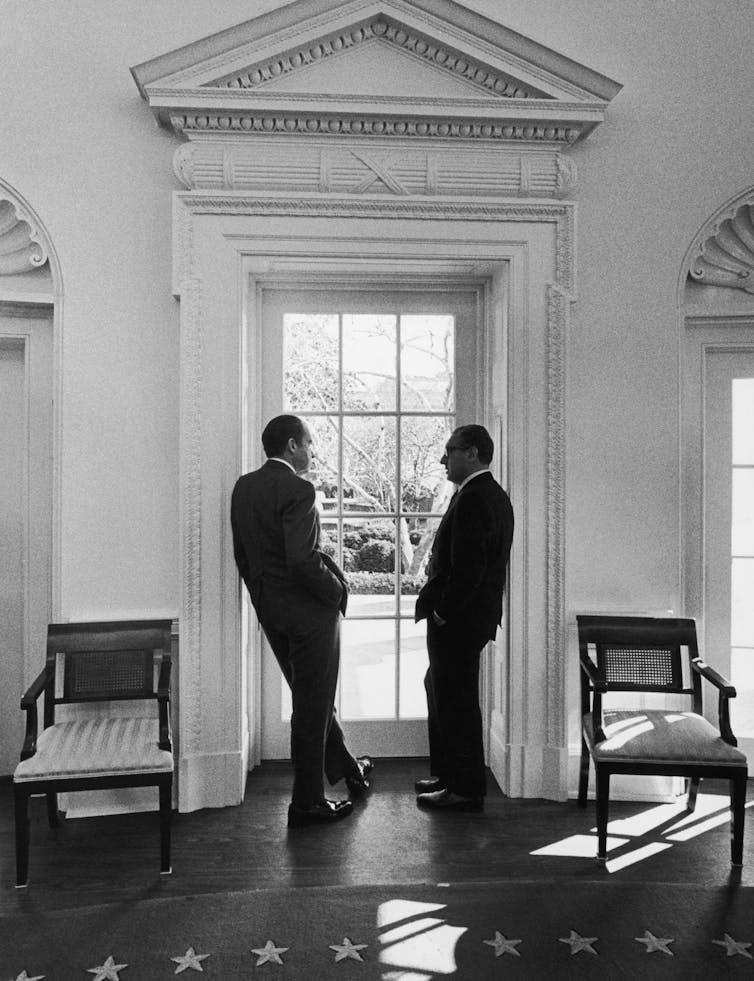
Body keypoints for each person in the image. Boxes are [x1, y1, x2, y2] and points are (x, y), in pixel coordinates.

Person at [231, 414, 372, 828]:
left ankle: (348, 767)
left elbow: (244, 556)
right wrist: (337, 592)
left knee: (312, 700)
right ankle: (307, 803)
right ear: (292, 445)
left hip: (271, 611)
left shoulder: (244, 487)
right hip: (310, 614)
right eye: (310, 443)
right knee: (312, 707)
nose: (313, 451)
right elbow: (302, 561)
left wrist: (262, 599)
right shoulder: (299, 488)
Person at [414, 424, 514, 811]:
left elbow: (469, 568)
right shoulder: (482, 493)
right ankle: (448, 775)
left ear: (472, 452)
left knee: (456, 700)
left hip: (458, 622)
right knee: (440, 689)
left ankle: (465, 789)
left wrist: (442, 612)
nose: (443, 458)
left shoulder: (476, 497)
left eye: (449, 450)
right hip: (466, 619)